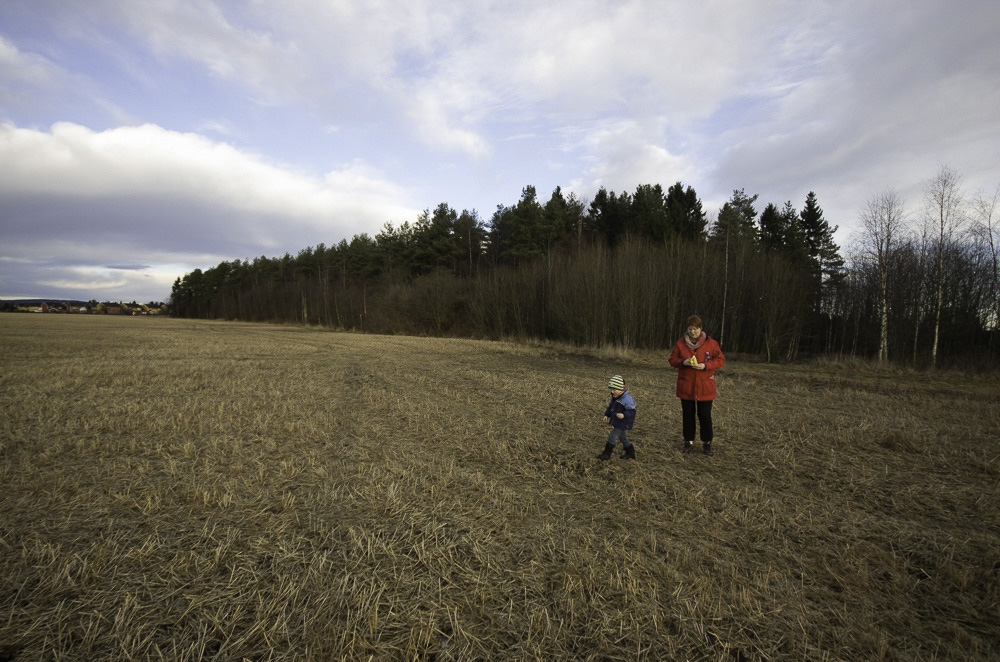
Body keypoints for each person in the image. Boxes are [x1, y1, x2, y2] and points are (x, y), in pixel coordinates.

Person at [668, 315, 725, 455]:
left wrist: (705, 366)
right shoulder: (680, 344)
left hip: (705, 387)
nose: (693, 332)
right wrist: (683, 362)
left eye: (696, 329)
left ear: (701, 329)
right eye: (690, 329)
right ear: (687, 330)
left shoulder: (711, 344)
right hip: (686, 386)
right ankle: (688, 441)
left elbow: (720, 360)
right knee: (688, 415)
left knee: (705, 415)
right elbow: (672, 360)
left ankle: (707, 443)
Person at [597, 374, 637, 460]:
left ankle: (607, 454)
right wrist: (606, 415)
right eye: (611, 389)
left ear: (620, 389)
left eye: (614, 389)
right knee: (622, 437)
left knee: (612, 435)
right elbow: (611, 407)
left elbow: (632, 412)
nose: (612, 392)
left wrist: (624, 415)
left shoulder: (627, 400)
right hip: (618, 422)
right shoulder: (615, 398)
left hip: (623, 423)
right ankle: (630, 452)